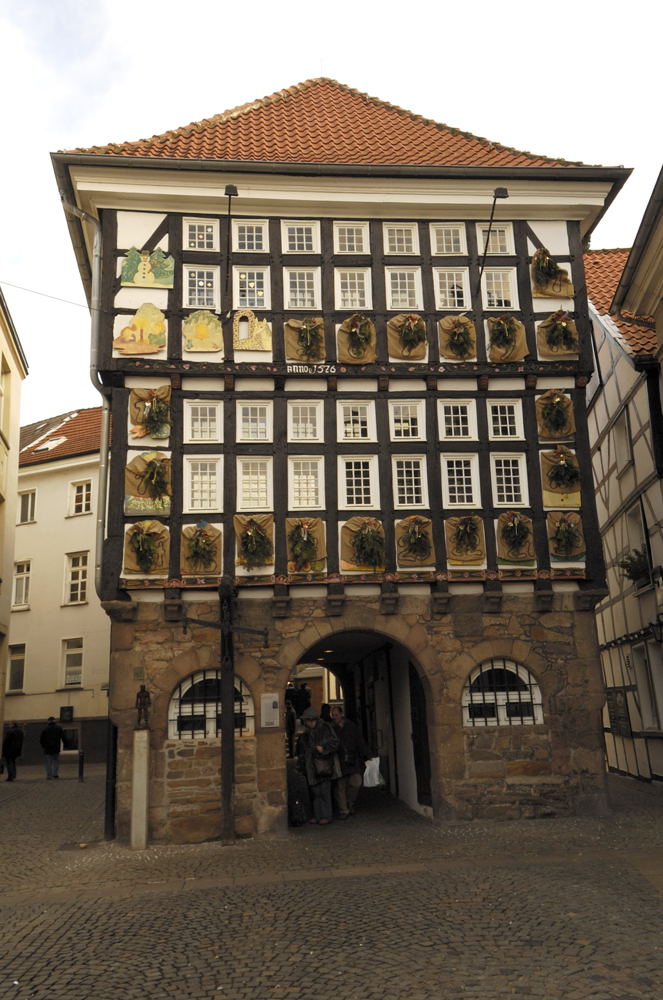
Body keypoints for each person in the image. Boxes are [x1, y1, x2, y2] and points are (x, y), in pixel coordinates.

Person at [296, 706, 340, 825]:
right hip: (311, 765)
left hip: (323, 764)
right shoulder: (306, 733)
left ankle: (326, 815)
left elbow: (335, 743)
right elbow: (303, 749)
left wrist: (323, 749)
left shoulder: (325, 728)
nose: (306, 723)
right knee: (315, 792)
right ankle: (318, 815)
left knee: (324, 791)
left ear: (311, 720)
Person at [331, 705, 370, 819]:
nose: (334, 717)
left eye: (336, 715)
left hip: (352, 760)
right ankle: (344, 810)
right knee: (340, 786)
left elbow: (359, 742)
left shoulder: (351, 727)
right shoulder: (332, 728)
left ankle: (349, 803)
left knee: (356, 782)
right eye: (333, 715)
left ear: (341, 714)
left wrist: (367, 754)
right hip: (338, 761)